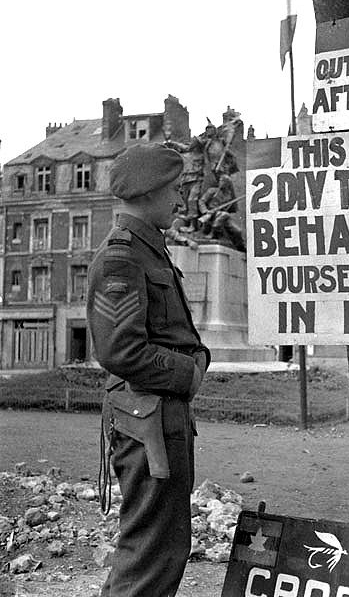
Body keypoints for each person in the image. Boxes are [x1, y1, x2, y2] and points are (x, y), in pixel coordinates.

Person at [87, 143, 211, 597]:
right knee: (149, 552)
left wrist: (195, 360)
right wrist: (188, 373)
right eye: (174, 190)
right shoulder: (122, 256)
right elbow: (120, 350)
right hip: (147, 422)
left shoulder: (148, 251)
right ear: (149, 191)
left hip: (159, 418)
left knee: (167, 545)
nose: (180, 201)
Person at [197, 173, 246, 252]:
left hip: (223, 216)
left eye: (223, 181)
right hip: (211, 214)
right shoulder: (212, 191)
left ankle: (240, 247)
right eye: (220, 181)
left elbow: (232, 209)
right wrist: (205, 211)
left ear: (227, 184)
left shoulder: (229, 196)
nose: (221, 183)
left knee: (237, 231)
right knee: (224, 214)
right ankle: (212, 233)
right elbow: (201, 201)